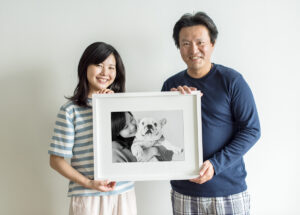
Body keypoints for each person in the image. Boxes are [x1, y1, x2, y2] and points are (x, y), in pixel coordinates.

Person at [161, 12, 261, 215]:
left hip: (228, 190)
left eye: (200, 42)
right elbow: (163, 137)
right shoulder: (170, 86)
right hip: (185, 191)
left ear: (212, 44)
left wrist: (215, 165)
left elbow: (252, 130)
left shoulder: (232, 81)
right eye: (186, 43)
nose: (193, 49)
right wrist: (172, 106)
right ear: (179, 47)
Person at [48, 42, 137, 215]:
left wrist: (112, 107)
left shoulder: (122, 106)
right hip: (88, 196)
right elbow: (56, 160)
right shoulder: (70, 111)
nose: (105, 72)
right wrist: (88, 183)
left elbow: (133, 147)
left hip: (124, 192)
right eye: (99, 65)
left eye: (111, 67)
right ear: (85, 67)